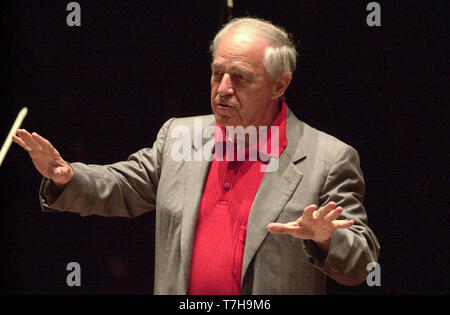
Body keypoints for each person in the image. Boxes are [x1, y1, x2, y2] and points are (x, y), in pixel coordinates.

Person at [12, 17, 379, 295]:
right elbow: (124, 185)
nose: (223, 89)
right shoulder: (180, 136)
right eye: (217, 73)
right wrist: (66, 175)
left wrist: (326, 239)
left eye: (240, 78)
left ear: (279, 85)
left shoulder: (328, 158)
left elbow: (361, 263)